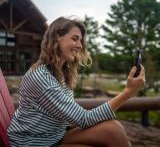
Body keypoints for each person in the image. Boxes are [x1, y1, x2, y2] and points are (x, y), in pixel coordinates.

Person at [7, 17, 145, 147]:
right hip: (33, 142)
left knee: (113, 130)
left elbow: (70, 116)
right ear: (56, 39)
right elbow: (84, 119)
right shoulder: (41, 78)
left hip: (52, 135)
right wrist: (128, 92)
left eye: (81, 41)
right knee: (114, 132)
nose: (79, 45)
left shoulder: (59, 72)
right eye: (74, 39)